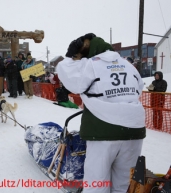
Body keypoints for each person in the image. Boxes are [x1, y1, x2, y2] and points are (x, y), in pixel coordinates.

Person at [56, 34, 146, 193]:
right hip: (134, 130)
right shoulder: (127, 64)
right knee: (124, 184)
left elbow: (64, 70)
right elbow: (138, 88)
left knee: (97, 183)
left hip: (103, 131)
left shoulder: (90, 64)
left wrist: (71, 54)